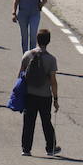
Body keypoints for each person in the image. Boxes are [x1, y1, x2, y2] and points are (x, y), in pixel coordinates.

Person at [19, 27, 61, 157]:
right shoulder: (51, 59)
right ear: (48, 41)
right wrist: (55, 99)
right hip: (44, 96)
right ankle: (50, 147)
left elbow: (20, 75)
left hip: (29, 94)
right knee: (46, 122)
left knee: (28, 121)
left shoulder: (27, 55)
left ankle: (26, 148)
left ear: (37, 40)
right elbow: (53, 81)